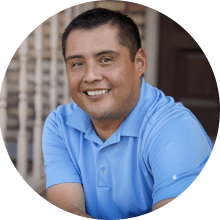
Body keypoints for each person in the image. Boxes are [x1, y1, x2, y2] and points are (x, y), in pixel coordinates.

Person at [42, 8, 213, 220]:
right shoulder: (60, 124)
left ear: (139, 62)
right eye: (77, 63)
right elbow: (66, 207)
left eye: (106, 59)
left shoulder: (176, 129)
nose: (90, 76)